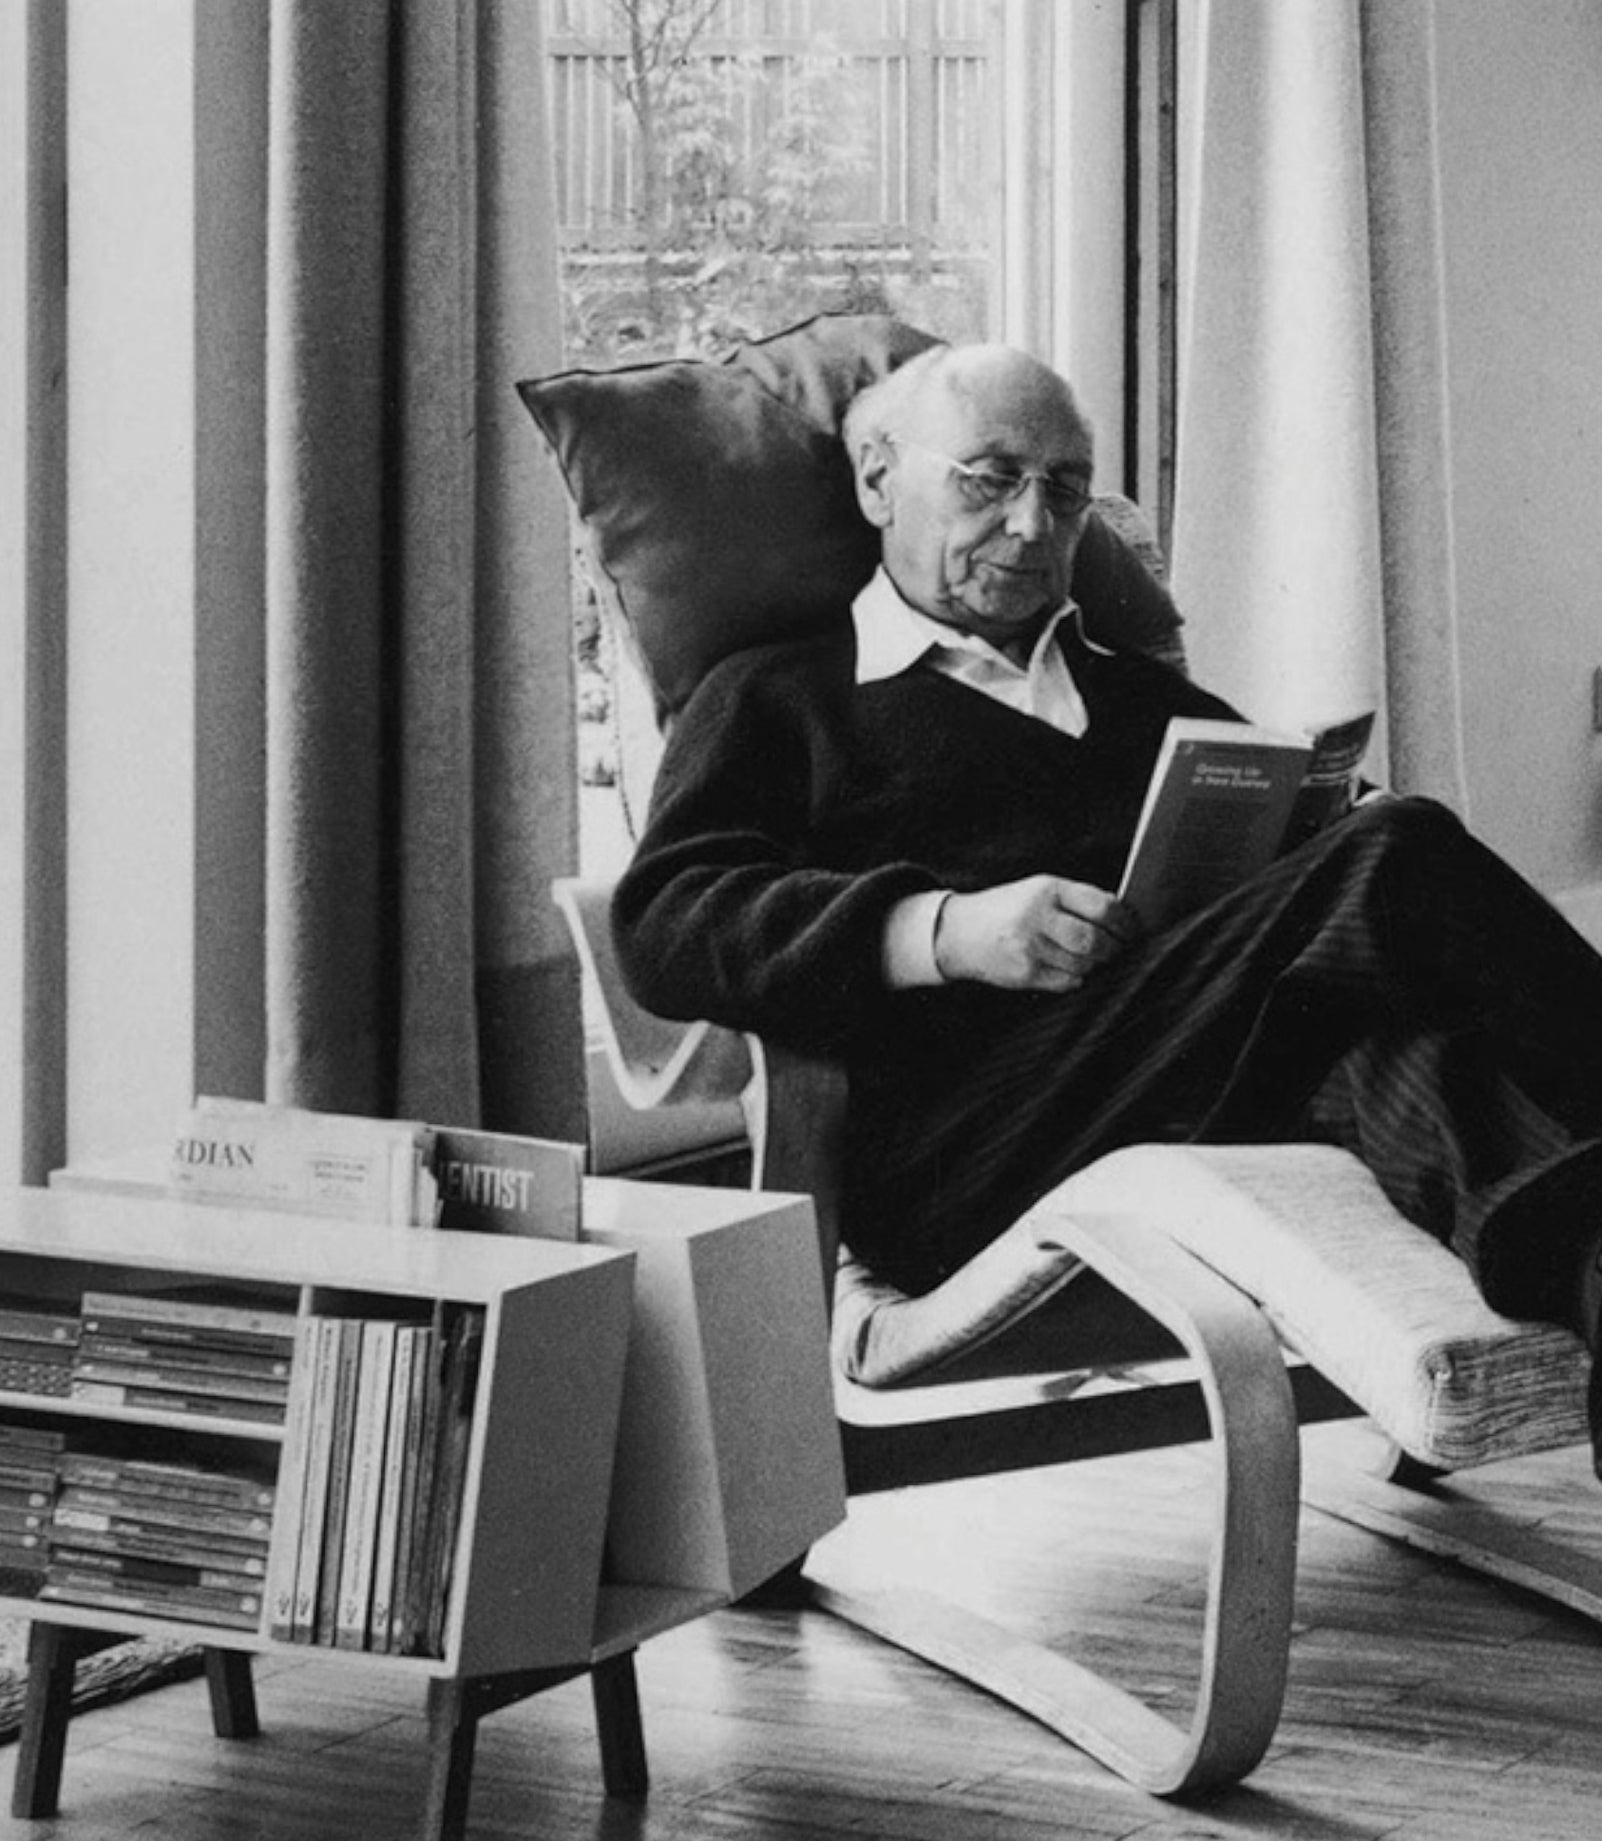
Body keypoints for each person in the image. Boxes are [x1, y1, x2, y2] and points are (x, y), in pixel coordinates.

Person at [612, 341, 1602, 1459]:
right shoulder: (782, 696)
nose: (1034, 524)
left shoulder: (1138, 696)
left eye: (1065, 488)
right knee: (1397, 850)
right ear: (879, 479)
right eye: (990, 477)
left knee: (1413, 1065)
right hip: (965, 1142)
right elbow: (665, 920)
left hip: (1187, 1073)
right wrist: (943, 931)